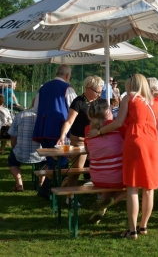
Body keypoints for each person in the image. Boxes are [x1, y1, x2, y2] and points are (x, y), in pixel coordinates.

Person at [88, 73, 158, 240]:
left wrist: (98, 131)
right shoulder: (153, 101)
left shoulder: (130, 97)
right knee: (148, 188)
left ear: (131, 85)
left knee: (133, 187)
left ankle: (132, 229)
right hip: (153, 141)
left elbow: (118, 122)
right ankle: (144, 226)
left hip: (136, 139)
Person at [33, 64, 77, 200]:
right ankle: (50, 189)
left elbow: (35, 109)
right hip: (58, 129)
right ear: (67, 75)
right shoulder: (67, 88)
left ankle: (46, 189)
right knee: (61, 162)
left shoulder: (43, 87)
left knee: (51, 160)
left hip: (43, 127)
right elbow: (74, 108)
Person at [57, 76, 104, 203]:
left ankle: (100, 192)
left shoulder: (99, 101)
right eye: (97, 92)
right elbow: (69, 121)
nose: (99, 94)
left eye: (101, 91)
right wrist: (62, 136)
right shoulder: (78, 102)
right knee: (77, 169)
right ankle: (70, 196)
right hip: (79, 139)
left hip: (95, 138)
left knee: (98, 166)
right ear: (88, 89)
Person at [84, 98, 127, 224]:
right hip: (117, 176)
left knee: (108, 183)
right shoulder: (118, 126)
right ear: (108, 110)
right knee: (135, 186)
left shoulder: (87, 129)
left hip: (97, 176)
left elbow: (87, 150)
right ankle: (112, 200)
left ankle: (100, 210)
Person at [8, 97, 46, 192]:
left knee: (12, 161)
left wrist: (14, 148)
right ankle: (42, 181)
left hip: (20, 153)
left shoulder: (20, 115)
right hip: (40, 155)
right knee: (49, 161)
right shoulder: (44, 117)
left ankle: (19, 183)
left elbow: (13, 136)